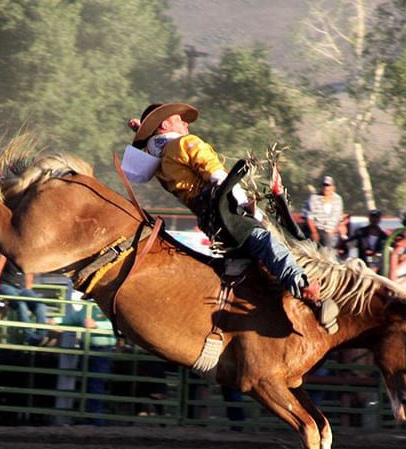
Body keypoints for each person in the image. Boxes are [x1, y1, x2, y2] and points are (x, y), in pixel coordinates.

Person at [126, 102, 336, 333]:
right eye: (179, 119)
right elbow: (217, 175)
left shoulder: (161, 161)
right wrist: (249, 207)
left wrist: (143, 134)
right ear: (165, 124)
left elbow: (140, 168)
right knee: (266, 242)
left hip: (209, 222)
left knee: (254, 256)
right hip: (225, 210)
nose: (185, 123)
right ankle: (304, 288)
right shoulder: (187, 143)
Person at [60, 303, 116, 424]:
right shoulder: (88, 308)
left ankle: (95, 419)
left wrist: (96, 325)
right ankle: (92, 417)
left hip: (101, 351)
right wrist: (55, 321)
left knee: (95, 384)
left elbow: (118, 324)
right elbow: (71, 319)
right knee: (90, 384)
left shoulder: (109, 307)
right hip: (89, 349)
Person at [0, 253, 48, 345]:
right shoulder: (5, 254)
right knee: (21, 304)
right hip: (6, 285)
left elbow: (29, 274)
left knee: (40, 306)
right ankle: (29, 336)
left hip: (22, 289)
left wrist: (28, 290)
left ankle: (40, 336)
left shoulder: (27, 256)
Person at [302, 175, 349, 251]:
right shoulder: (314, 198)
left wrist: (334, 229)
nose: (326, 188)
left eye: (328, 186)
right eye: (324, 185)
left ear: (333, 188)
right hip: (316, 229)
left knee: (331, 245)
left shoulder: (338, 199)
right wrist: (314, 232)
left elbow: (338, 217)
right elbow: (309, 217)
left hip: (331, 231)